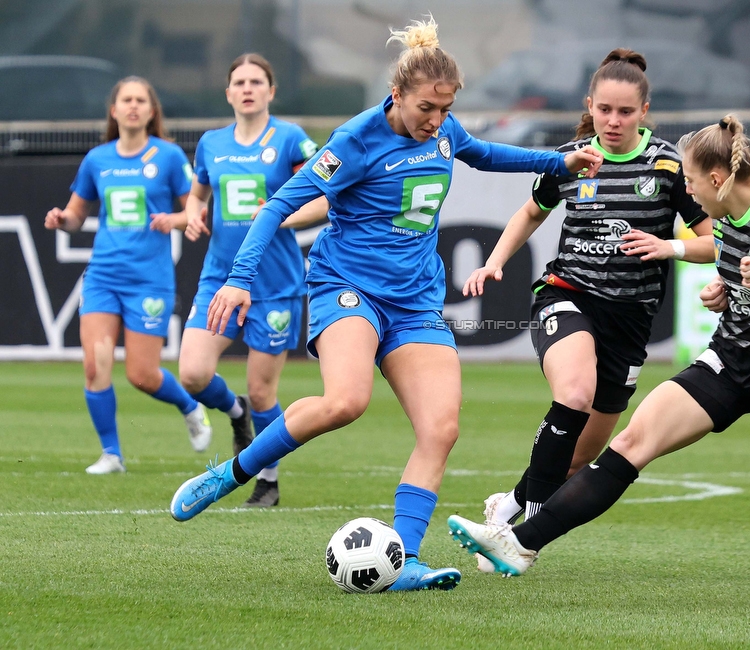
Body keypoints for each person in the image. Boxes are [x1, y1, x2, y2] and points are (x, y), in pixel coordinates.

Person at [168, 16, 604, 592]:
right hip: (345, 285)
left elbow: (486, 153)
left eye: (447, 108)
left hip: (416, 298)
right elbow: (276, 208)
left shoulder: (445, 133)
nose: (438, 120)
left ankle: (405, 561)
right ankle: (232, 471)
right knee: (346, 401)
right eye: (427, 107)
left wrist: (557, 162)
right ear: (396, 95)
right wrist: (238, 278)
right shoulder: (354, 141)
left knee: (440, 429)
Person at [447, 115, 750, 612]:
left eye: (687, 179)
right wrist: (725, 290)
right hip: (729, 359)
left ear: (715, 178)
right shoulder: (728, 218)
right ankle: (520, 543)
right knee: (629, 444)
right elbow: (735, 271)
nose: (683, 189)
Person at [461, 49, 712, 545]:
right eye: (604, 110)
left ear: (644, 111)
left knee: (579, 457)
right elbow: (531, 213)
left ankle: (506, 507)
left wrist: (671, 246)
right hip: (568, 295)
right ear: (590, 106)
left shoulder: (667, 165)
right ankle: (525, 530)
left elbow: (714, 241)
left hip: (632, 320)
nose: (613, 121)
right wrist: (494, 262)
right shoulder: (572, 159)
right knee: (573, 393)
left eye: (624, 111)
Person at [178, 53, 326, 508]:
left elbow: (323, 201)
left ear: (270, 91)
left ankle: (268, 480)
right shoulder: (211, 144)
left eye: (256, 81)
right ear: (228, 93)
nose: (247, 88)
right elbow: (198, 192)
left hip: (275, 284)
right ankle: (234, 410)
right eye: (238, 81)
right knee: (193, 374)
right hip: (219, 279)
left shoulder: (289, 140)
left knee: (265, 390)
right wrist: (189, 214)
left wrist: (281, 219)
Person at [44, 76, 211, 474]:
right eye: (126, 100)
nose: (133, 106)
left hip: (149, 279)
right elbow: (76, 215)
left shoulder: (168, 156)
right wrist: (62, 219)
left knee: (142, 374)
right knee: (94, 364)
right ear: (114, 111)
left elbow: (194, 210)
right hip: (102, 276)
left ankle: (191, 407)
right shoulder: (97, 160)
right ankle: (112, 454)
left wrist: (172, 219)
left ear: (152, 112)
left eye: (141, 100)